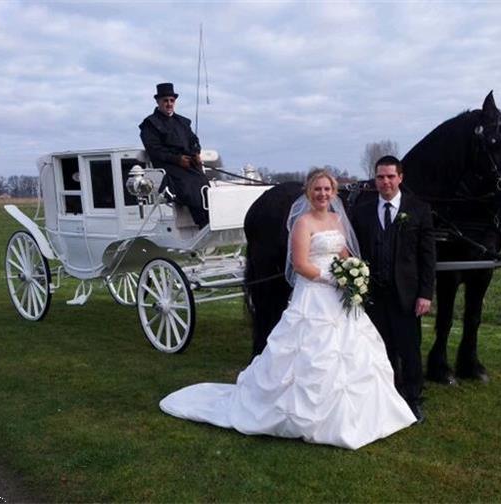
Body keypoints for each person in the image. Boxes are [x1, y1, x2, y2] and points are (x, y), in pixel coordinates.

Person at [159, 169, 416, 450]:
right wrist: (333, 278)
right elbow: (300, 264)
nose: (322, 195)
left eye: (327, 190)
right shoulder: (303, 223)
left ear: (334, 192)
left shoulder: (336, 219)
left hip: (337, 295)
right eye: (317, 190)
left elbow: (342, 252)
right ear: (309, 192)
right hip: (315, 293)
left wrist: (354, 269)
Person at [351, 156, 435, 423]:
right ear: (374, 179)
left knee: (409, 349)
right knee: (379, 348)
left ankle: (412, 399)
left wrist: (425, 294)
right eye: (380, 177)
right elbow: (355, 251)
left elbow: (427, 257)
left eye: (390, 176)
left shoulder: (419, 209)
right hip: (373, 295)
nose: (385, 182)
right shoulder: (362, 210)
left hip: (407, 295)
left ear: (400, 177)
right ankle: (384, 397)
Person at [139, 82, 210, 228]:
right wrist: (177, 159)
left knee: (203, 183)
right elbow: (154, 150)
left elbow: (194, 141)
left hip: (189, 164)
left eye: (172, 100)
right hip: (168, 166)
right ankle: (202, 223)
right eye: (165, 100)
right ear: (158, 102)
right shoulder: (150, 124)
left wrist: (196, 153)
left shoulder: (183, 122)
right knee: (190, 185)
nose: (169, 104)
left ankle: (210, 219)